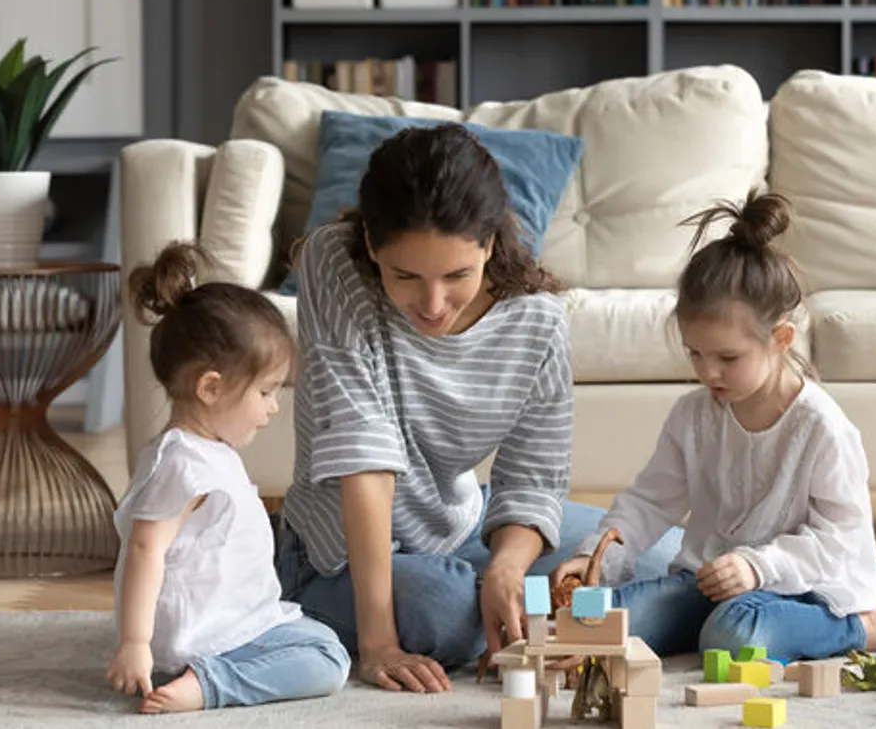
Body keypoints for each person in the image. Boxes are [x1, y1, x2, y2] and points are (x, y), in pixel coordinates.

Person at [273, 122, 682, 693]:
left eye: (457, 275)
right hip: (339, 549)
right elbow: (363, 453)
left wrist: (507, 567)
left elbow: (532, 480)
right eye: (405, 275)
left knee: (667, 559)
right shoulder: (334, 262)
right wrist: (379, 644)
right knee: (446, 611)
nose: (432, 303)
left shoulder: (537, 320)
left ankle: (517, 603)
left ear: (489, 244)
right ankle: (522, 614)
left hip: (460, 523)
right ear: (370, 244)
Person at [551, 190, 876, 664]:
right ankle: (679, 621)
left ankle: (860, 628)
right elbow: (650, 501)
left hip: (799, 592)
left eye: (728, 357)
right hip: (708, 584)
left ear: (781, 339)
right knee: (592, 621)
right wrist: (596, 556)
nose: (708, 372)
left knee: (733, 635)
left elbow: (841, 539)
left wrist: (757, 566)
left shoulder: (821, 428)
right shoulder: (692, 416)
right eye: (695, 353)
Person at [106, 241, 350, 714]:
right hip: (209, 639)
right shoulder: (183, 463)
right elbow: (143, 549)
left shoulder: (204, 449)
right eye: (265, 392)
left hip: (223, 624)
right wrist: (135, 642)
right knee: (327, 658)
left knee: (320, 636)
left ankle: (203, 674)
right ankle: (209, 684)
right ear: (211, 387)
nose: (273, 408)